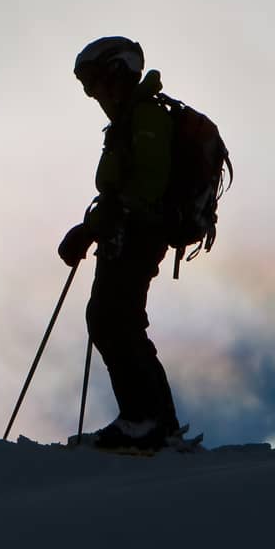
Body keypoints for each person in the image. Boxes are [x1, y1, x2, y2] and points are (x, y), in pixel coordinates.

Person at [57, 36, 182, 451]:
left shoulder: (146, 116)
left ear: (117, 73)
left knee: (115, 319)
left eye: (93, 81)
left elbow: (144, 187)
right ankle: (149, 420)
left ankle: (147, 421)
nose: (91, 93)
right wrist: (92, 228)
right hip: (124, 234)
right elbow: (118, 193)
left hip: (138, 234)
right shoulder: (129, 120)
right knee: (110, 318)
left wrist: (94, 228)